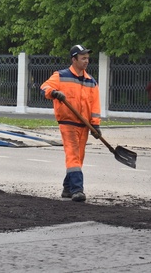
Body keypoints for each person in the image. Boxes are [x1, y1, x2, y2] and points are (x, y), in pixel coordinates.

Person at [40, 45, 101, 202]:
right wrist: (53, 92)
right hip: (68, 123)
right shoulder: (61, 76)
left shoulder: (91, 82)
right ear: (74, 59)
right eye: (83, 58)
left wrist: (96, 125)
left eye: (87, 58)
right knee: (73, 155)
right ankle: (77, 190)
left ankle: (67, 189)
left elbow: (95, 106)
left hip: (84, 125)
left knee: (79, 158)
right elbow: (44, 87)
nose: (86, 61)